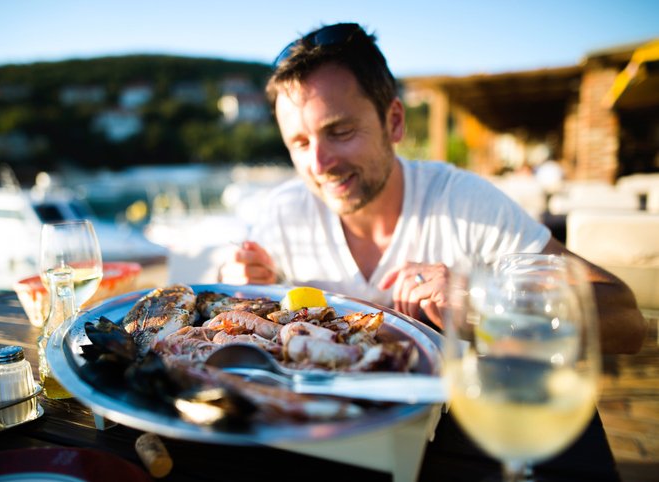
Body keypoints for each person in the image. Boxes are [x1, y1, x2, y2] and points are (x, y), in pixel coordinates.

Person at [219, 22, 646, 354]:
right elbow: (227, 313)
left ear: (395, 121)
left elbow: (625, 319)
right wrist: (232, 283)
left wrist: (486, 303)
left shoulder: (466, 204)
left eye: (341, 131)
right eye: (300, 142)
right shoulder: (283, 213)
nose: (319, 163)